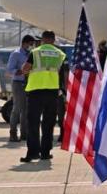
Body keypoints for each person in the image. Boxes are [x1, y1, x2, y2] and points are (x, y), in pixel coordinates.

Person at [20, 31, 66, 162]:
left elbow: (25, 68)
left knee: (33, 123)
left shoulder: (35, 52)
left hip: (36, 91)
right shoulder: (60, 54)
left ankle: (33, 153)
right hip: (52, 92)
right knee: (49, 123)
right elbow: (63, 74)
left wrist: (25, 70)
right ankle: (45, 153)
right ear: (53, 40)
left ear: (43, 39)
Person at [6, 35, 36, 142]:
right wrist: (22, 71)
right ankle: (13, 133)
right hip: (19, 83)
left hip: (29, 84)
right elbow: (9, 70)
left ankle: (24, 134)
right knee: (17, 108)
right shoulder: (16, 54)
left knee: (26, 110)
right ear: (25, 43)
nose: (32, 46)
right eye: (31, 44)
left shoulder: (32, 54)